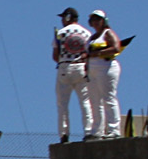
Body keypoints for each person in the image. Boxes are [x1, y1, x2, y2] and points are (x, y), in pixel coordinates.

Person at [52, 7, 93, 140]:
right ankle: (88, 131)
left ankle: (64, 133)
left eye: (63, 17)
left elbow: (55, 56)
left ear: (68, 18)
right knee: (85, 102)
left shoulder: (60, 33)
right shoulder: (87, 33)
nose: (62, 20)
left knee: (62, 104)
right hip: (82, 68)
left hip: (65, 67)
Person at [84, 11, 124, 139]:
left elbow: (116, 48)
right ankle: (97, 130)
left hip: (106, 67)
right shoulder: (92, 37)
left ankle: (114, 129)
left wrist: (97, 53)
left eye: (98, 19)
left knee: (108, 97)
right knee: (95, 100)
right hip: (92, 70)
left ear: (104, 21)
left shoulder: (108, 33)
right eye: (93, 19)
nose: (96, 22)